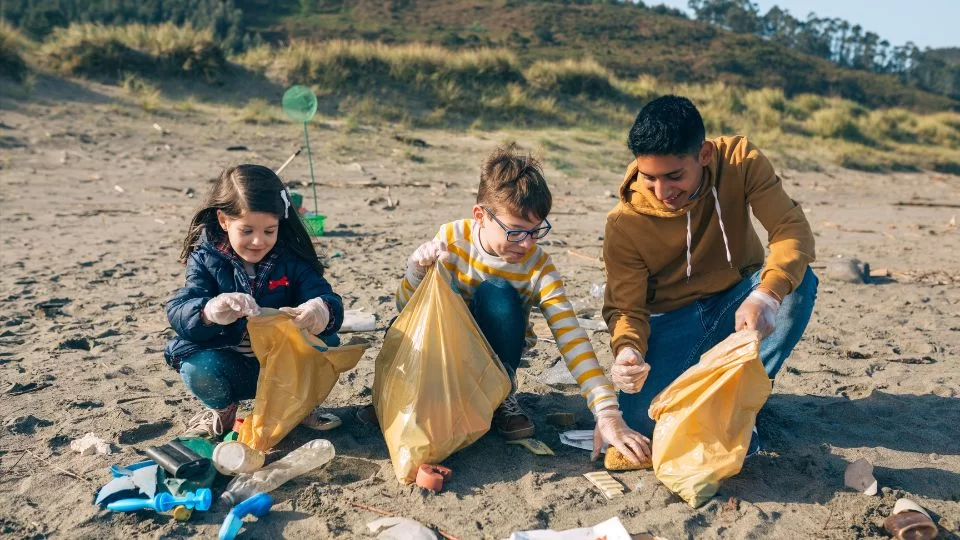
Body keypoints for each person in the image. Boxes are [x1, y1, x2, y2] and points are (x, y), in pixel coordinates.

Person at [397, 144, 650, 462]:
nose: (528, 243)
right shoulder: (450, 239)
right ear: (481, 216)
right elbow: (407, 312)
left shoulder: (537, 265)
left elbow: (572, 338)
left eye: (536, 231)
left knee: (499, 292)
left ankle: (500, 395)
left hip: (495, 359)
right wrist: (416, 270)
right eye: (516, 232)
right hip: (445, 354)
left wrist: (608, 413)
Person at [602, 95, 818, 452]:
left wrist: (767, 294)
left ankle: (739, 402)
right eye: (649, 177)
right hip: (674, 321)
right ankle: (715, 402)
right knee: (641, 423)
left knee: (796, 284)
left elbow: (791, 230)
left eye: (674, 176)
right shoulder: (624, 222)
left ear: (703, 154)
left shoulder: (740, 161)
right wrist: (628, 349)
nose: (662, 192)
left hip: (739, 303)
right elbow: (627, 308)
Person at [164, 164, 344, 439]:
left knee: (328, 342)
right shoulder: (205, 259)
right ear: (224, 220)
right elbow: (180, 311)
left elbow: (327, 298)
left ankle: (300, 405)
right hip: (233, 364)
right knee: (194, 364)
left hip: (286, 366)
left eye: (269, 231)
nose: (258, 241)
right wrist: (209, 311)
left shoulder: (291, 258)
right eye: (247, 231)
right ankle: (223, 411)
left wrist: (320, 309)